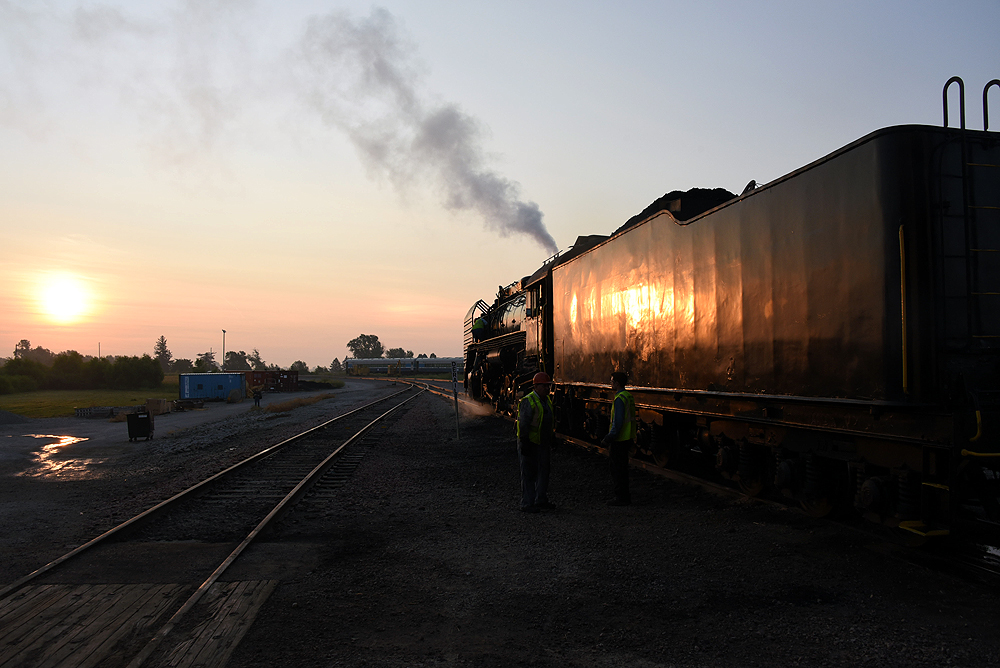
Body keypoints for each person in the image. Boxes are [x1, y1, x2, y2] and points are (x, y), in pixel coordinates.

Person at [516, 371, 556, 513]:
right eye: (544, 386)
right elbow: (523, 424)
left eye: (548, 386)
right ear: (536, 386)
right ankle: (527, 503)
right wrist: (524, 442)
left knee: (543, 472)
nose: (547, 389)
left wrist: (552, 437)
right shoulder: (529, 401)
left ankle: (540, 500)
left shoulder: (546, 401)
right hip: (530, 443)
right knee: (529, 474)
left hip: (543, 443)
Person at [601, 371, 635, 506]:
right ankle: (624, 496)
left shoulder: (619, 398)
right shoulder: (628, 396)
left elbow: (618, 422)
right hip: (627, 438)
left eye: (612, 381)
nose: (610, 383)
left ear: (617, 383)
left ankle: (621, 497)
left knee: (617, 470)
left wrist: (609, 438)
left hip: (619, 440)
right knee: (623, 469)